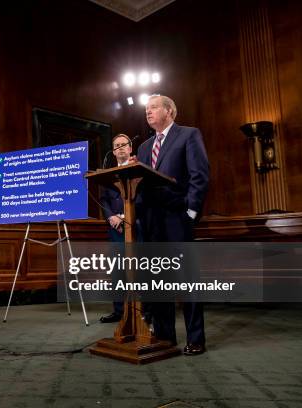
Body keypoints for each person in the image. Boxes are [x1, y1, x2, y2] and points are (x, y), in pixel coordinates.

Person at [135, 94, 209, 356]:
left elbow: (199, 175)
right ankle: (166, 335)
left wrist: (190, 211)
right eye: (146, 109)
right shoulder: (143, 147)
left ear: (170, 111)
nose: (148, 112)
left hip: (178, 217)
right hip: (152, 221)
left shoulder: (188, 135)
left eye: (153, 107)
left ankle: (196, 338)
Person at [99, 134, 133, 323]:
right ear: (113, 151)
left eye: (124, 145)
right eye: (116, 146)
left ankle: (145, 312)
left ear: (130, 149)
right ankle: (119, 311)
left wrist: (125, 217)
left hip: (134, 227)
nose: (120, 148)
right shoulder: (108, 174)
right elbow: (104, 199)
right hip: (114, 229)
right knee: (117, 271)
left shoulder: (138, 168)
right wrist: (111, 216)